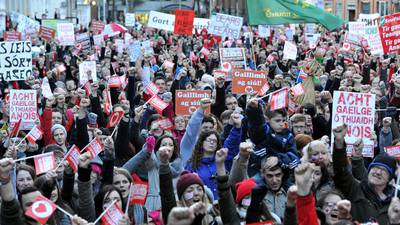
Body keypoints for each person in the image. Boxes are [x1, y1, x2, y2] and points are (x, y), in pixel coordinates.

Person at [332, 124, 397, 224]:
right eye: (375, 167)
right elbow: (341, 172)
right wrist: (339, 143)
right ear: (369, 170)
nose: (378, 172)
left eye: (384, 170)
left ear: (390, 178)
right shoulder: (357, 188)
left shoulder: (395, 201)